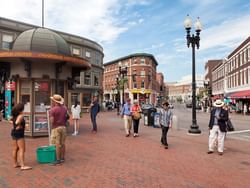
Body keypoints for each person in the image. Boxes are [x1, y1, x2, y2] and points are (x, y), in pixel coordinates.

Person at [11, 103, 32, 170]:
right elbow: (17, 122)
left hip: (14, 133)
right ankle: (23, 165)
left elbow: (12, 121)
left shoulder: (15, 115)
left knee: (15, 149)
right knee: (22, 149)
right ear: (20, 110)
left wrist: (18, 125)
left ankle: (15, 163)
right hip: (19, 134)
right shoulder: (20, 116)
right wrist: (18, 125)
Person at [49, 94, 67, 165]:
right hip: (63, 127)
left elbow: (52, 121)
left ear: (54, 101)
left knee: (57, 144)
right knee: (63, 144)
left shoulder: (53, 109)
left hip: (56, 128)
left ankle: (58, 160)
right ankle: (62, 158)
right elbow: (67, 117)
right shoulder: (64, 108)